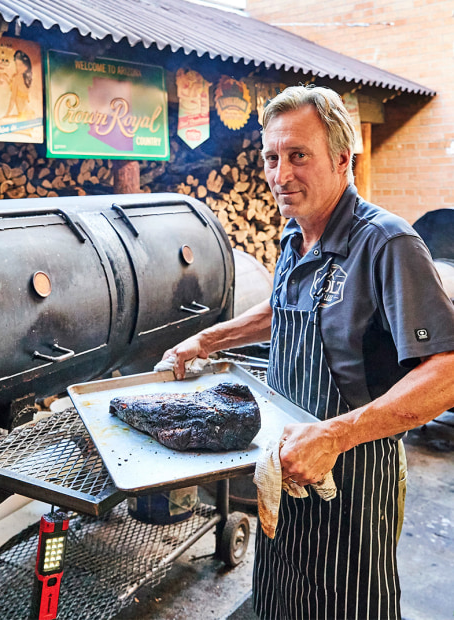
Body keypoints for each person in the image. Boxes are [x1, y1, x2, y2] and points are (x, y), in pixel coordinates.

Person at [161, 84, 454, 619]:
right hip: (281, 461)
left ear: (343, 158)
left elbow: (446, 372)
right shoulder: (294, 238)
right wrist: (208, 339)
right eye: (272, 157)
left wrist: (335, 434)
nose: (280, 174)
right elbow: (285, 312)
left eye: (298, 155)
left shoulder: (386, 244)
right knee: (278, 599)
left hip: (352, 478)